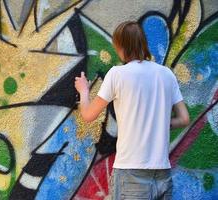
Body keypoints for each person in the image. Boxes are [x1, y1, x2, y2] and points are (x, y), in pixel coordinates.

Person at [74, 21, 190, 200]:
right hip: (162, 173)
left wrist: (83, 91)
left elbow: (88, 115)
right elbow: (184, 119)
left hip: (130, 172)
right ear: (142, 43)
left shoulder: (117, 74)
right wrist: (156, 124)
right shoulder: (166, 74)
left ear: (120, 47)